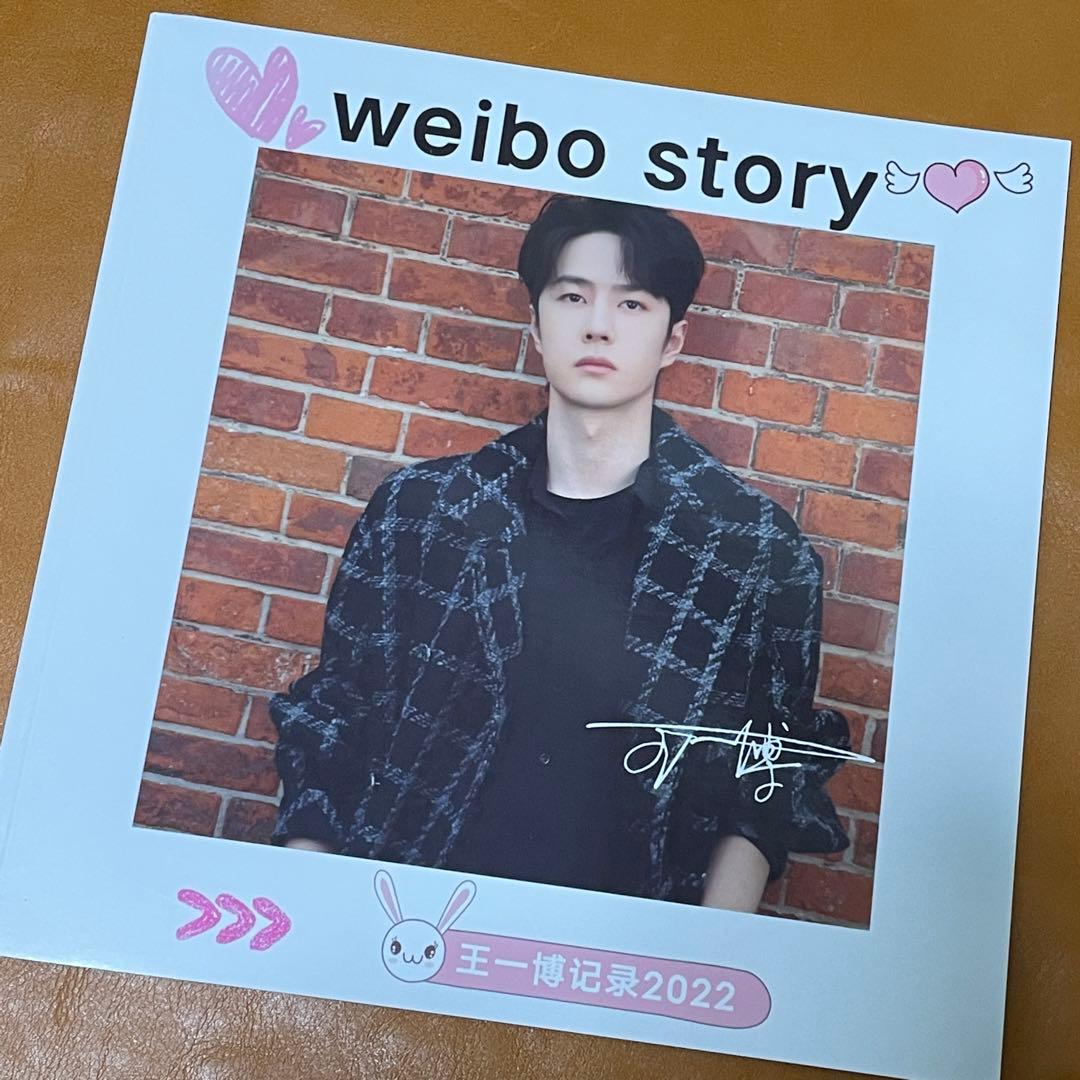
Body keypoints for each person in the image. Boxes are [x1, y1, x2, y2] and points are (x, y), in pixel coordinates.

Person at [269, 195, 852, 911]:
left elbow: (768, 771)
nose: (598, 325)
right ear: (538, 326)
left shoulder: (754, 549)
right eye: (573, 296)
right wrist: (317, 909)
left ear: (673, 340)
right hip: (406, 916)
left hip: (629, 938)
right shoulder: (421, 513)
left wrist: (704, 947)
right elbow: (337, 717)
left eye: (632, 304)